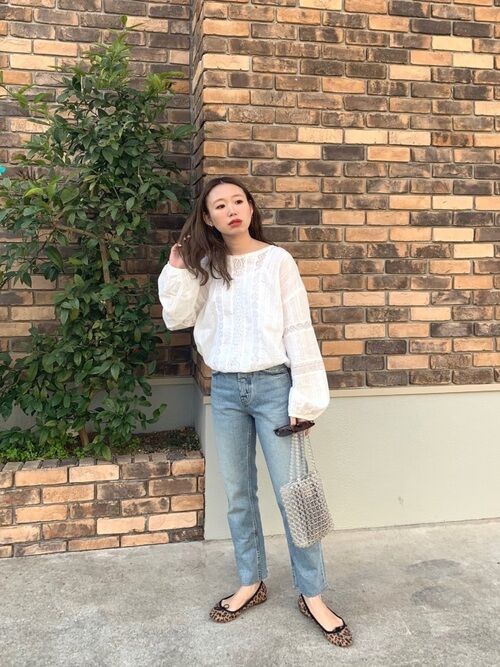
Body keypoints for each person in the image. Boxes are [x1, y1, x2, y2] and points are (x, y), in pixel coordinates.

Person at [158, 176, 353, 647]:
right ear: (208, 218)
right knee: (239, 495)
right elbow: (178, 318)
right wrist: (178, 269)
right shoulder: (205, 267)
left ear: (249, 207)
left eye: (238, 201)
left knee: (294, 493)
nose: (231, 210)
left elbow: (298, 328)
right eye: (220, 205)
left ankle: (313, 593)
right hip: (226, 390)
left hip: (274, 388)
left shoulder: (276, 260)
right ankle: (251, 581)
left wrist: (305, 399)